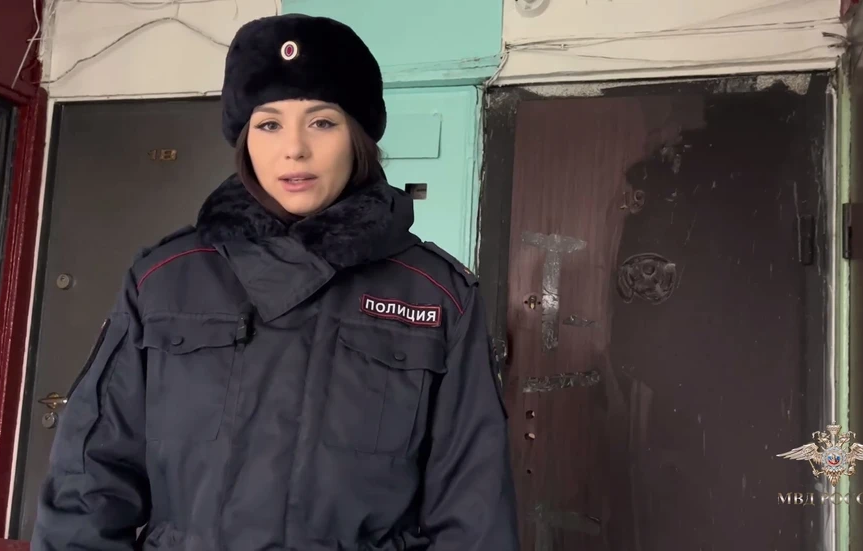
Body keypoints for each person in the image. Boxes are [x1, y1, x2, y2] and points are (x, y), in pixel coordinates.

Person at [31, 13, 519, 551]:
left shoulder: (436, 295)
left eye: (322, 122)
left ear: (358, 137)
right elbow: (90, 482)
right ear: (244, 139)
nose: (295, 149)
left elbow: (473, 514)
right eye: (269, 124)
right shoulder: (165, 279)